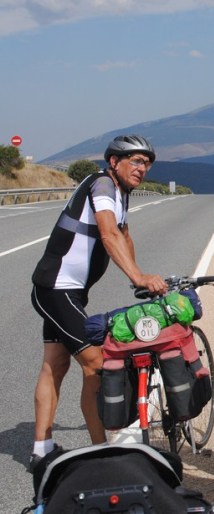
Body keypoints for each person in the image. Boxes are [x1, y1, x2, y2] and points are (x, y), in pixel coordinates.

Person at [29, 135, 167, 472]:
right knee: (97, 363)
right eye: (136, 161)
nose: (143, 168)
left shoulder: (122, 193)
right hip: (56, 288)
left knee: (55, 364)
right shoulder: (103, 185)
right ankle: (101, 452)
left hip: (72, 292)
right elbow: (108, 233)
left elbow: (124, 235)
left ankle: (41, 450)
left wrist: (137, 277)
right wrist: (138, 277)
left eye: (147, 163)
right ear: (114, 162)